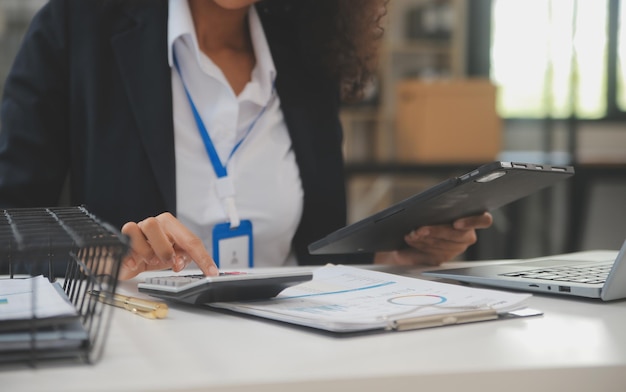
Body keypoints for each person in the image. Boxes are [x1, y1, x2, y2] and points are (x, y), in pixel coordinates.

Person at [0, 0, 493, 281]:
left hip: (294, 353)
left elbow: (316, 249)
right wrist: (103, 253)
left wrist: (394, 254)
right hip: (145, 355)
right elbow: (8, 219)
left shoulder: (306, 50)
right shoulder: (77, 27)